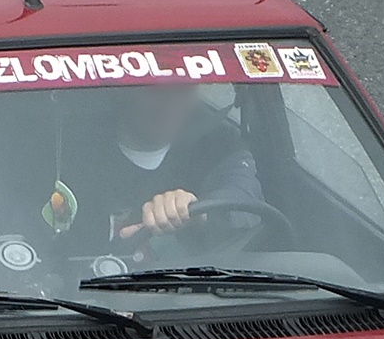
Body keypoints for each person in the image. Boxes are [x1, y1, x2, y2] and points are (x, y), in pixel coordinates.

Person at [63, 84, 263, 252]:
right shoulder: (67, 148)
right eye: (157, 89)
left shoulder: (221, 146)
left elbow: (242, 202)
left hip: (193, 294)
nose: (172, 104)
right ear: (121, 90)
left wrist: (193, 213)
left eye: (184, 88)